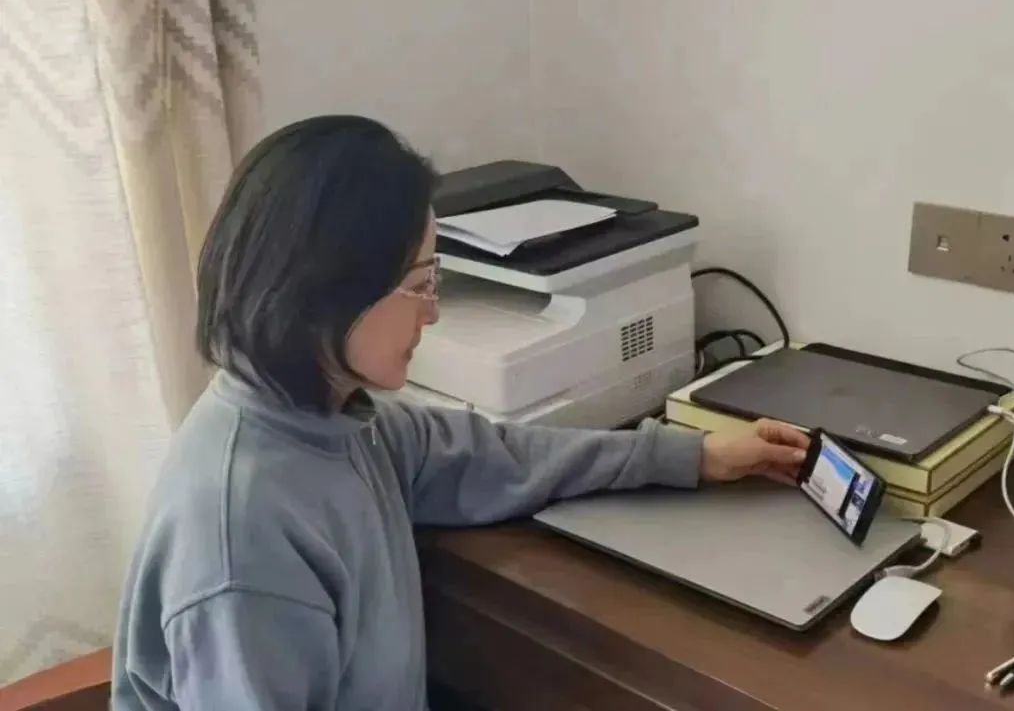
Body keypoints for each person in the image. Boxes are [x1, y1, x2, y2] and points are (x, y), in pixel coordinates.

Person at [110, 115, 809, 711]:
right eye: (420, 285)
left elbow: (495, 455)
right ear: (326, 291)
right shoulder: (242, 547)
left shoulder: (340, 419)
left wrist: (695, 453)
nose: (435, 312)